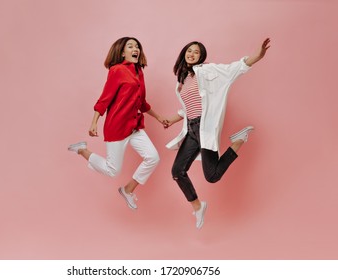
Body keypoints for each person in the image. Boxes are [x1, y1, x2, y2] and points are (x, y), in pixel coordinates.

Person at [164, 38, 271, 229]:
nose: (192, 54)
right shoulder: (182, 79)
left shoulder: (207, 71)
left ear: (201, 56)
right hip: (191, 129)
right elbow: (188, 107)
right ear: (184, 53)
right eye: (189, 51)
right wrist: (172, 120)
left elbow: (233, 69)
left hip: (204, 128)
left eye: (196, 52)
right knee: (177, 172)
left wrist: (257, 56)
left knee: (212, 176)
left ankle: (238, 140)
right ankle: (198, 207)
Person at [68, 37, 165, 210]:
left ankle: (127, 190)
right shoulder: (117, 70)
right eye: (130, 46)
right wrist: (94, 123)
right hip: (117, 127)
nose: (135, 49)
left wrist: (158, 118)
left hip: (134, 126)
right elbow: (105, 98)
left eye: (137, 46)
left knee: (153, 157)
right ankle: (82, 150)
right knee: (113, 171)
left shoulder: (139, 72)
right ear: (122, 52)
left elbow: (141, 103)